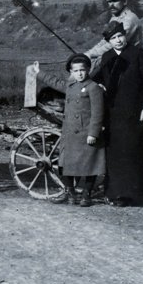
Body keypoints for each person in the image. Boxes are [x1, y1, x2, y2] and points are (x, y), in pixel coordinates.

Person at [92, 21, 143, 207]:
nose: (118, 40)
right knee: (114, 154)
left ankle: (132, 193)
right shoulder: (107, 57)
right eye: (113, 38)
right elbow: (97, 79)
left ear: (125, 35)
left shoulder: (138, 55)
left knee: (132, 152)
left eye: (120, 36)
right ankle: (115, 193)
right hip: (112, 114)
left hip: (135, 113)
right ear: (109, 41)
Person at [53, 53, 106, 207]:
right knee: (65, 165)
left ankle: (86, 195)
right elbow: (55, 82)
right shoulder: (71, 86)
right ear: (71, 72)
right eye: (75, 71)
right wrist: (38, 73)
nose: (79, 73)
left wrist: (93, 133)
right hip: (70, 134)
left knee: (90, 166)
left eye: (82, 70)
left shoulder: (94, 88)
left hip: (86, 134)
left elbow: (98, 113)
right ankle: (70, 194)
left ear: (88, 69)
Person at [85, 0, 143, 73]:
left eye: (115, 1)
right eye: (109, 2)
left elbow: (114, 44)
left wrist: (91, 54)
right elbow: (106, 40)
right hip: (118, 55)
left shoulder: (129, 19)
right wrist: (89, 53)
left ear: (124, 1)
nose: (111, 5)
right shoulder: (115, 18)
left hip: (131, 58)